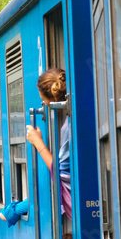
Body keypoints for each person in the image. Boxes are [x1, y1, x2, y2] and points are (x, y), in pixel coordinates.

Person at [26, 68, 72, 221]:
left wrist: (37, 142)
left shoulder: (68, 127)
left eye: (44, 101)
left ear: (51, 102)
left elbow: (60, 171)